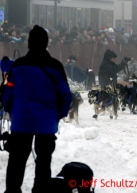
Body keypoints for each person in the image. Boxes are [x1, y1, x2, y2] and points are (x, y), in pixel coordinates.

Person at [2, 25, 72, 193]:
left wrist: (10, 110)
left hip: (21, 121)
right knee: (43, 161)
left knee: (17, 160)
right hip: (46, 122)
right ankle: (40, 190)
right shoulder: (55, 67)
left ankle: (12, 191)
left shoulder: (18, 66)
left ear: (28, 43)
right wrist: (59, 114)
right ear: (47, 43)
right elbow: (66, 96)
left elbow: (7, 92)